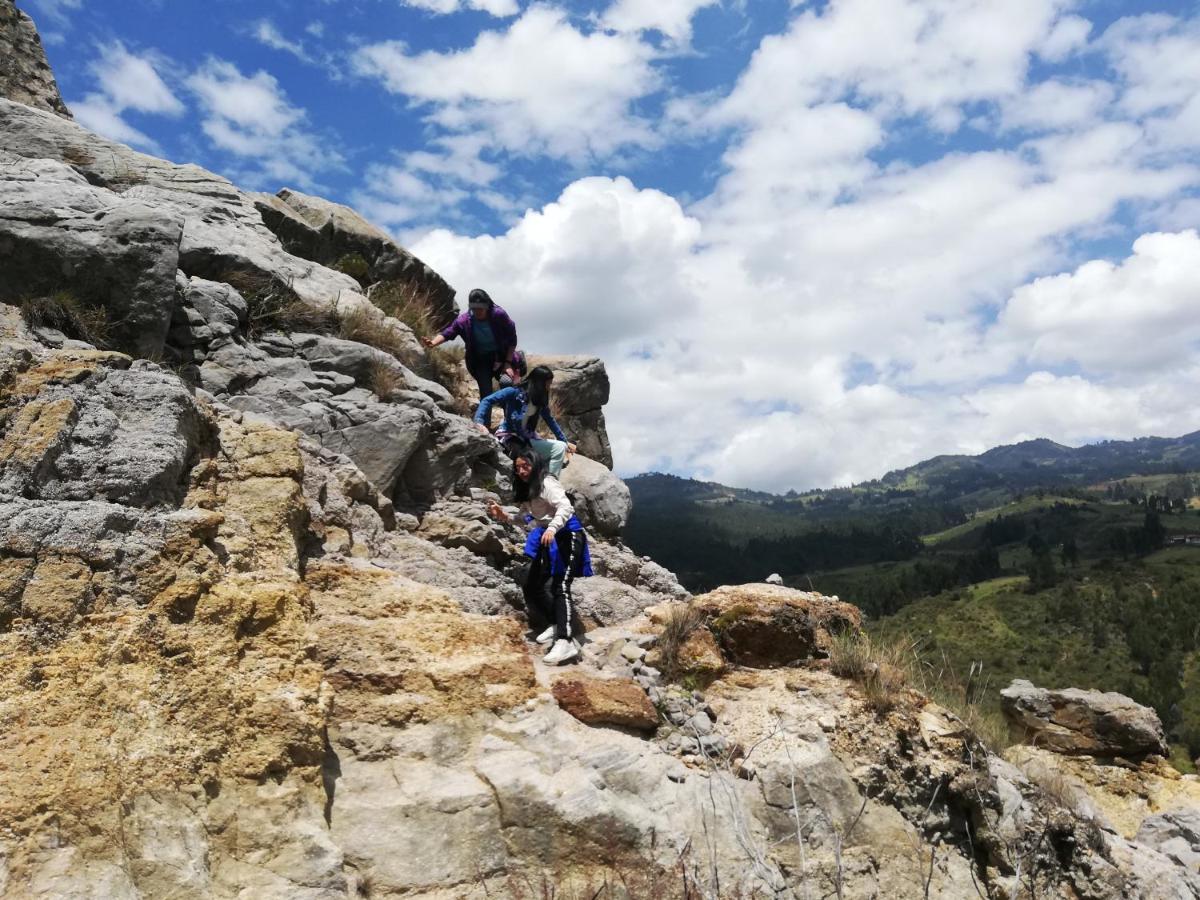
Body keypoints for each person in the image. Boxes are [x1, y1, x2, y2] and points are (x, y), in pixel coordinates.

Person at [487, 448, 590, 665]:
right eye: (518, 468)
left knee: (560, 586)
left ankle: (566, 640)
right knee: (533, 583)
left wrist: (552, 528)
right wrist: (504, 516)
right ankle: (556, 623)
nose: (522, 471)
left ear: (536, 465)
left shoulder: (547, 483)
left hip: (568, 535)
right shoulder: (529, 489)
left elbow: (565, 506)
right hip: (549, 537)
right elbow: (526, 519)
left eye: (526, 466)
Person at [422, 289, 519, 412]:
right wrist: (433, 342)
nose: (478, 311)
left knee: (506, 383)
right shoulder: (465, 321)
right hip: (480, 360)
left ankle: (510, 423)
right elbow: (449, 332)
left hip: (501, 357)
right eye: (474, 308)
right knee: (486, 393)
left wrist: (507, 363)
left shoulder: (498, 315)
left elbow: (512, 338)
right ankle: (484, 425)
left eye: (481, 308)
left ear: (488, 306)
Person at [474, 363, 576, 476]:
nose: (549, 387)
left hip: (528, 437)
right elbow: (487, 400)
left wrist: (564, 441)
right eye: (548, 384)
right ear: (540, 383)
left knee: (560, 448)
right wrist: (479, 422)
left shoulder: (539, 400)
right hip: (510, 436)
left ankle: (551, 482)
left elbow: (550, 420)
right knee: (531, 460)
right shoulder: (513, 392)